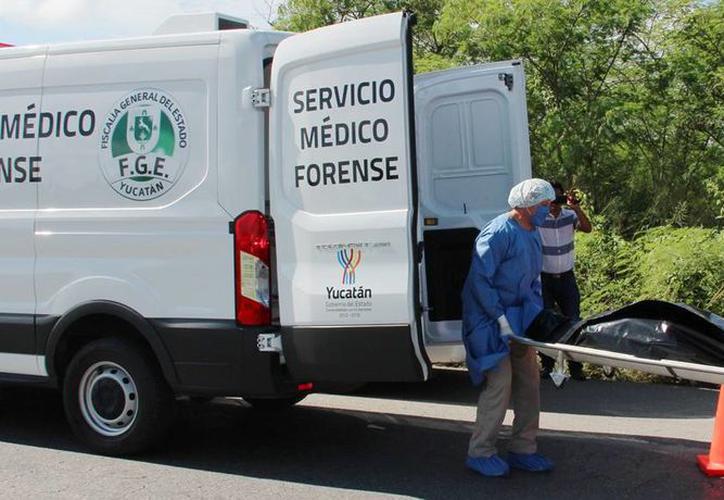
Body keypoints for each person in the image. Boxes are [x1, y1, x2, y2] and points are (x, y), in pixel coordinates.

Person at [461, 178, 555, 477]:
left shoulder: (533, 232)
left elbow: (532, 279)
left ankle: (523, 449)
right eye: (543, 204)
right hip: (488, 319)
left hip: (519, 320)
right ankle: (480, 452)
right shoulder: (499, 232)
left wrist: (534, 317)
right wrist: (499, 319)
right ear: (526, 206)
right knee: (500, 384)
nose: (548, 209)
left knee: (529, 382)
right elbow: (480, 280)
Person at [538, 181, 592, 380]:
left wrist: (575, 207)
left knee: (573, 321)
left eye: (558, 198)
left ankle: (576, 367)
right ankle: (547, 366)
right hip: (545, 279)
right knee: (546, 321)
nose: (554, 203)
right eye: (550, 199)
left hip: (567, 278)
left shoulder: (569, 216)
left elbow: (587, 228)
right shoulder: (538, 220)